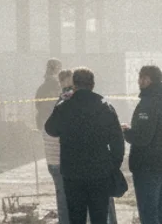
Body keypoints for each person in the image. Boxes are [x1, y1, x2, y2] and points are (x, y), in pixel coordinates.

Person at [45, 67, 125, 224]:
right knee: (99, 216)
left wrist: (60, 102)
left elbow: (50, 129)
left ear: (74, 84)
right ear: (93, 84)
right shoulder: (104, 106)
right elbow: (117, 141)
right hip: (99, 171)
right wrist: (113, 165)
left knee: (76, 216)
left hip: (72, 172)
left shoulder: (65, 106)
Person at [123, 65, 162, 224]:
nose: (138, 81)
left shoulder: (148, 103)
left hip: (148, 166)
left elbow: (142, 137)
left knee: (149, 213)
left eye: (140, 78)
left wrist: (126, 131)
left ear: (147, 79)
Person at [45, 68, 76, 223]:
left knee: (64, 200)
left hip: (55, 159)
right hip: (62, 159)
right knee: (66, 200)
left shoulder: (60, 100)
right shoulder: (67, 99)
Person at [38, 59, 65, 129]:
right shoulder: (58, 86)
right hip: (52, 121)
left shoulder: (43, 87)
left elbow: (38, 105)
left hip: (46, 120)